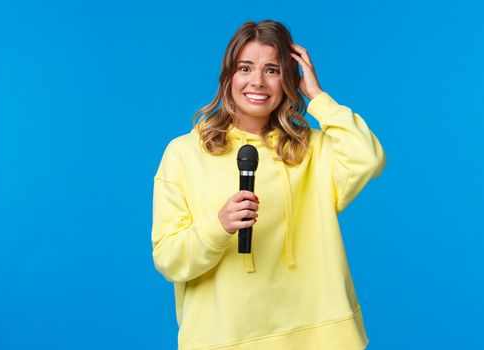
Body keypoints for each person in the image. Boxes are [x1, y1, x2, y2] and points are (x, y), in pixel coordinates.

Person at [151, 20, 386, 350]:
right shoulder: (184, 154)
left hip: (320, 336)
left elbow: (368, 157)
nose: (257, 81)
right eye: (245, 68)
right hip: (224, 338)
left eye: (272, 70)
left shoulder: (312, 149)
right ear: (228, 76)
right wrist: (218, 227)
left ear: (289, 78)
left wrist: (317, 97)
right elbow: (170, 259)